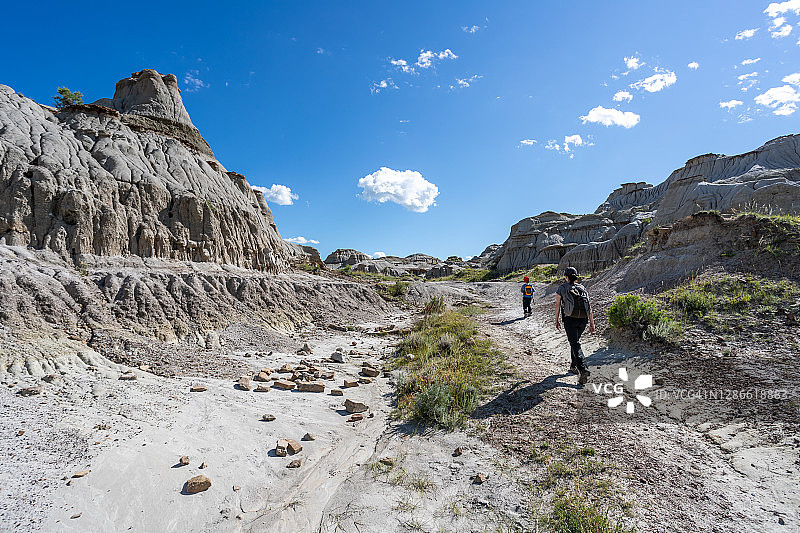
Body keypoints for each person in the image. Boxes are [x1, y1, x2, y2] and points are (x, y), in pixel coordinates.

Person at [554, 267, 594, 385]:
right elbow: (589, 306)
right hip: (583, 319)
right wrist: (592, 323)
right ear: (576, 276)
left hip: (570, 319)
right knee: (575, 342)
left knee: (575, 343)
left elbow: (557, 305)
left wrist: (556, 320)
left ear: (566, 277)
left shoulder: (562, 288)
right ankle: (573, 366)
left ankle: (583, 368)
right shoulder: (582, 288)